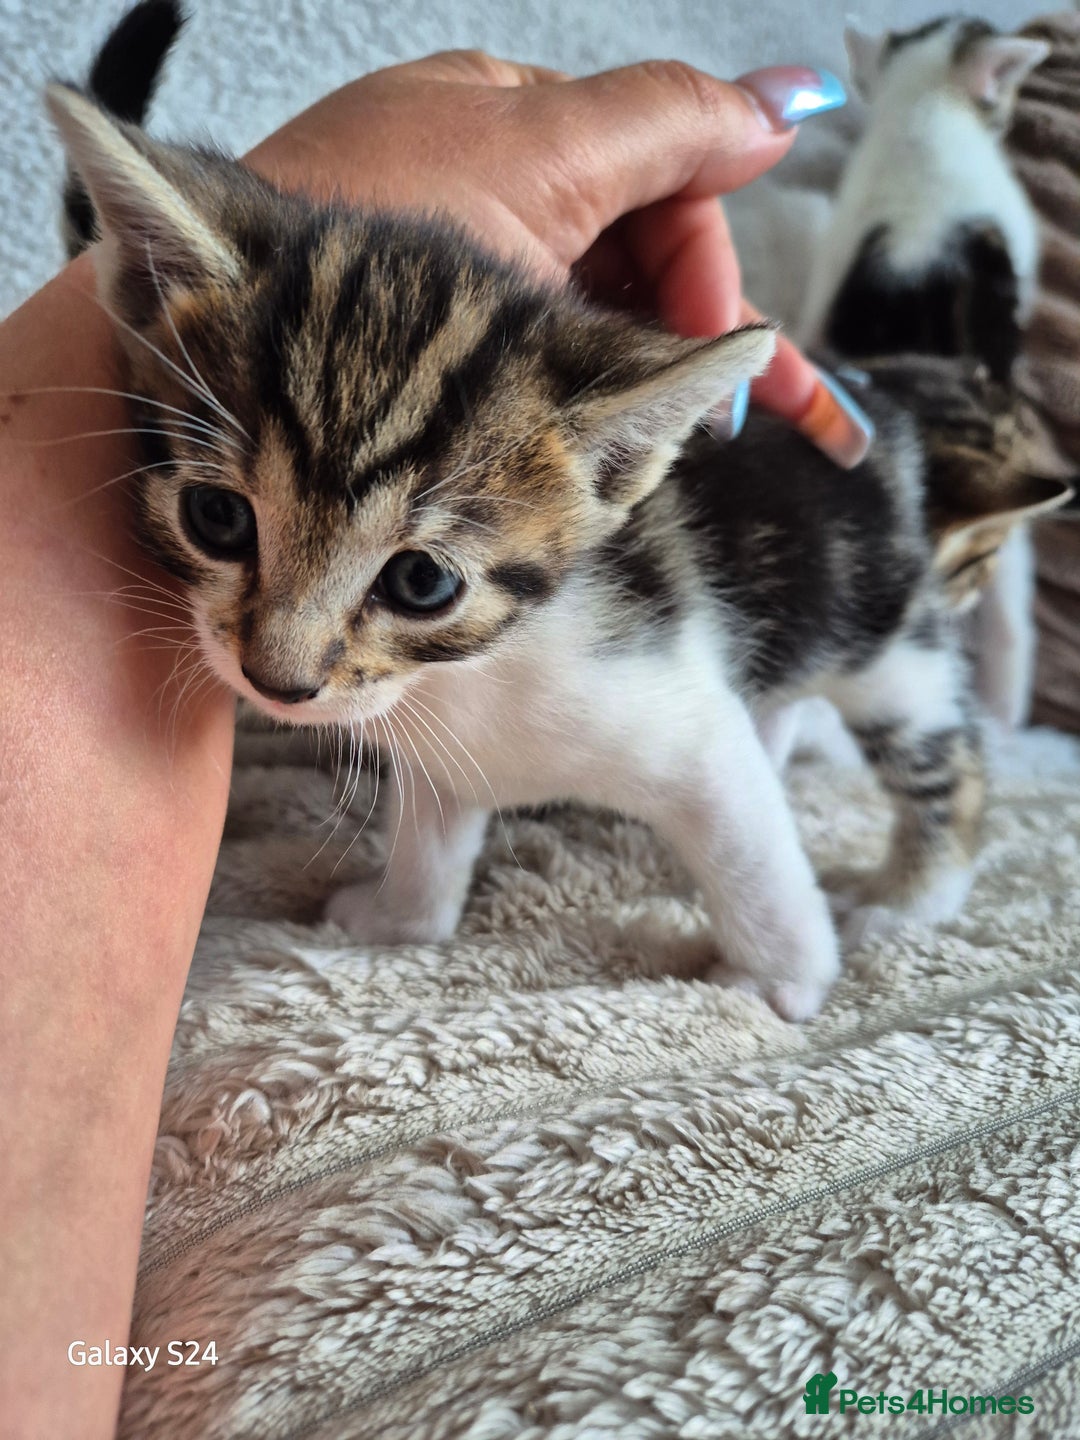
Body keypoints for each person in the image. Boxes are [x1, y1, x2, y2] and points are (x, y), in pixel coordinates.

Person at [0, 50, 869, 1438]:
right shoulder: (212, 354)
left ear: (612, 466)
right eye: (223, 518)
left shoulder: (564, 624)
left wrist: (782, 966)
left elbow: (701, 756)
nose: (283, 662)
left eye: (414, 582)